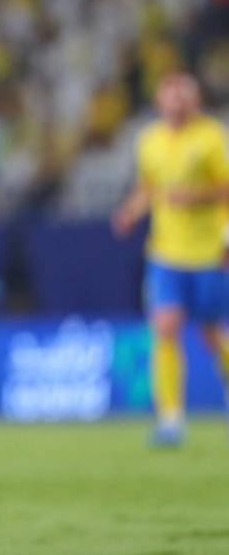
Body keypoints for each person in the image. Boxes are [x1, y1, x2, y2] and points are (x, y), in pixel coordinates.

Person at [112, 72, 229, 446]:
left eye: (183, 96)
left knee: (213, 335)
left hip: (209, 252)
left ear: (194, 101)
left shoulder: (211, 137)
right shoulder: (150, 141)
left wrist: (194, 197)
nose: (176, 103)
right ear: (160, 102)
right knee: (165, 325)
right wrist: (131, 211)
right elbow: (149, 187)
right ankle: (171, 418)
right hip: (165, 252)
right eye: (170, 96)